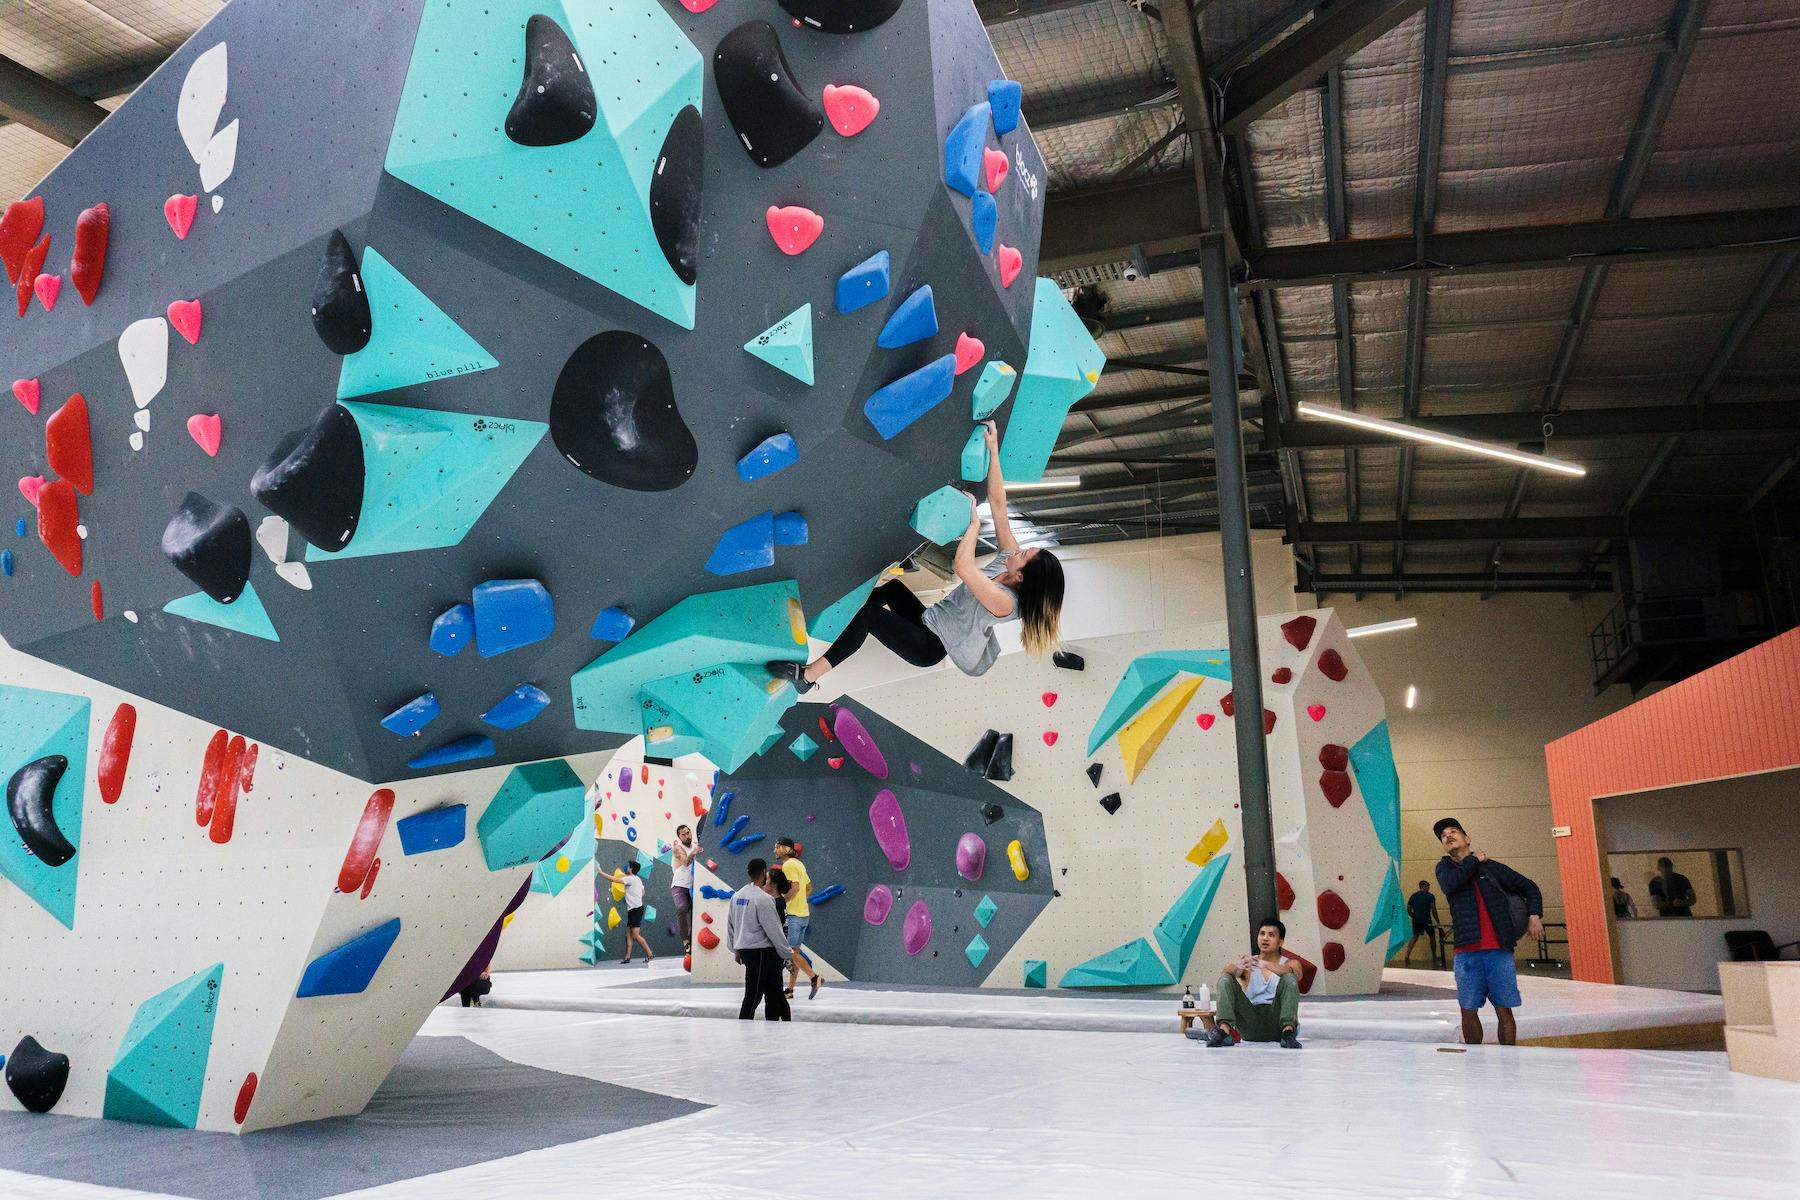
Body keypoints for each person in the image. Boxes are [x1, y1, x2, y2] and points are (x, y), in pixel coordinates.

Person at [767, 422, 1063, 693]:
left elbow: (963, 567)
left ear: (1021, 576)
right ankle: (831, 620)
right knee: (892, 590)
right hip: (929, 621)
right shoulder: (1009, 561)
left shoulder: (1005, 603)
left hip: (930, 646)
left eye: (1023, 554)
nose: (1017, 550)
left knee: (870, 618)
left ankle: (806, 677)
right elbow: (999, 506)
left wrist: (974, 527)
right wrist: (993, 451)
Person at [1434, 817, 1544, 1046]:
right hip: (1466, 952)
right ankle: (1474, 1067)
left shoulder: (1492, 868)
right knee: (1468, 1009)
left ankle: (1510, 1060)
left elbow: (1529, 886)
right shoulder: (1445, 868)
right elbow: (1451, 884)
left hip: (1498, 950)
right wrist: (1473, 860)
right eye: (1444, 836)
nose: (1448, 836)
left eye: (1454, 831)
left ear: (1467, 839)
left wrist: (1534, 915)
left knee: (1504, 1009)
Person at [1197, 919, 1303, 1049]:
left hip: (1278, 1026)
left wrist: (1266, 964)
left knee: (1289, 978)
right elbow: (1225, 973)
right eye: (1262, 934)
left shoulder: (1290, 963)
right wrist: (1236, 966)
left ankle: (1288, 1033)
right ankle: (1224, 1032)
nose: (1265, 938)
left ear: (1280, 942)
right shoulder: (1249, 964)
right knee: (1225, 979)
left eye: (1271, 935)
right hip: (1250, 1024)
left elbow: (1295, 974)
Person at [726, 858, 792, 1021]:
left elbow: (730, 925)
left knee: (773, 993)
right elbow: (774, 930)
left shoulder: (737, 896)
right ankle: (745, 1026)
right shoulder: (763, 899)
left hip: (746, 951)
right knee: (754, 995)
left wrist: (735, 949)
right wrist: (787, 954)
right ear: (763, 873)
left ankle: (778, 1025)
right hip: (762, 952)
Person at [773, 836, 823, 1000]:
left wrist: (783, 902)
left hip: (794, 915)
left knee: (790, 953)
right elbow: (809, 887)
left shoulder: (788, 865)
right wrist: (801, 900)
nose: (775, 850)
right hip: (804, 915)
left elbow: (795, 887)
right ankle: (790, 990)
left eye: (777, 847)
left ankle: (815, 978)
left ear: (784, 848)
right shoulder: (799, 864)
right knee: (794, 953)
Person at [597, 861, 654, 964]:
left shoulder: (630, 878)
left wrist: (601, 873)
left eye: (628, 866)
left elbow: (614, 879)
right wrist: (636, 897)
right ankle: (627, 957)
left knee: (635, 934)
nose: (626, 867)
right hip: (635, 909)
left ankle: (650, 954)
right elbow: (643, 892)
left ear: (631, 869)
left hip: (635, 910)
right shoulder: (637, 879)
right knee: (628, 933)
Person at [670, 824, 701, 952]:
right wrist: (695, 852)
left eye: (688, 832)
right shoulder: (678, 848)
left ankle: (692, 942)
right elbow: (686, 862)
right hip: (679, 886)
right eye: (684, 834)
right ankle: (686, 942)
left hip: (693, 886)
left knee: (695, 915)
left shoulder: (695, 845)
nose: (687, 835)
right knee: (682, 908)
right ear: (679, 837)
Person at [1403, 880, 1441, 965]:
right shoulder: (1430, 896)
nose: (1429, 888)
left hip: (1416, 920)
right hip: (1427, 920)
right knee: (1432, 938)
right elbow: (1433, 909)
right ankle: (1434, 957)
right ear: (1426, 886)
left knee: (1414, 937)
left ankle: (1407, 956)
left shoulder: (1413, 896)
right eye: (1428, 887)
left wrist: (1414, 916)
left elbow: (1408, 910)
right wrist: (1438, 922)